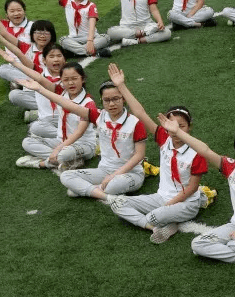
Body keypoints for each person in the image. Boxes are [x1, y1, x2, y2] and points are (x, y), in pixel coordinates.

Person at [106, 63, 210, 244]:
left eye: (181, 126)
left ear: (189, 127)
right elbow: (139, 112)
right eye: (171, 126)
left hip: (185, 203)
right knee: (116, 203)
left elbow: (192, 189)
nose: (175, 131)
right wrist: (121, 86)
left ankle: (165, 220)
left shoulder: (197, 152)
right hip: (160, 197)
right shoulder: (164, 137)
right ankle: (160, 225)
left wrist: (168, 206)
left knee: (155, 215)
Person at [163, 119, 235, 267]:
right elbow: (204, 150)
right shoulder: (232, 167)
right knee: (197, 244)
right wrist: (178, 132)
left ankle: (223, 251)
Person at [18, 70, 148, 202]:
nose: (112, 104)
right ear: (101, 101)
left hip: (130, 174)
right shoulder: (98, 116)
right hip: (104, 171)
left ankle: (90, 190)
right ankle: (103, 194)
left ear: (123, 99)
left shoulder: (135, 123)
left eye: (116, 99)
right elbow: (66, 103)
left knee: (113, 185)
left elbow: (139, 155)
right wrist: (39, 88)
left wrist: (114, 175)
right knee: (66, 176)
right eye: (107, 100)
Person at [16, 61, 97, 172]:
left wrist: (58, 149)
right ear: (61, 81)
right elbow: (40, 79)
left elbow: (79, 133)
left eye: (74, 78)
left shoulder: (89, 103)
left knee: (65, 153)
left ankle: (41, 164)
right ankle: (66, 161)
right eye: (66, 80)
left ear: (83, 79)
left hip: (83, 145)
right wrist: (14, 63)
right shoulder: (61, 92)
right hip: (61, 140)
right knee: (27, 142)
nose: (70, 83)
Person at [15, 0, 110, 56]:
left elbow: (92, 25)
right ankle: (93, 52)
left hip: (91, 37)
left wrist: (89, 41)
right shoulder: (67, 1)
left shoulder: (91, 6)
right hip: (74, 39)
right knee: (63, 40)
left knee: (106, 37)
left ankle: (78, 51)